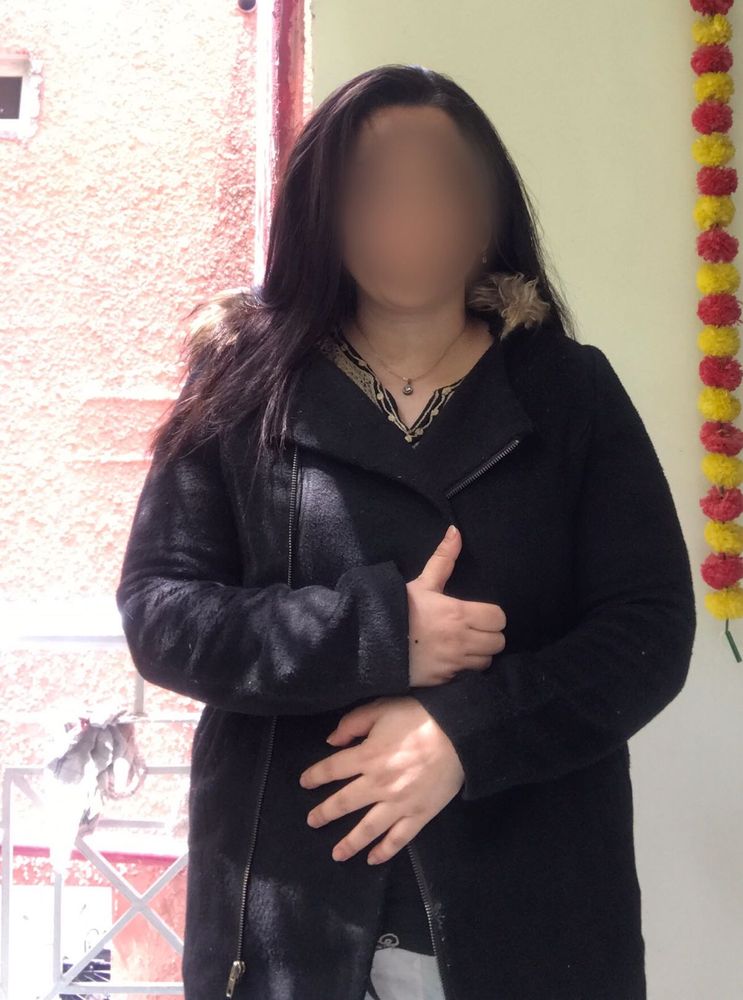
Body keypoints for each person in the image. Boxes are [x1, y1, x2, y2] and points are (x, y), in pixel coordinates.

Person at [115, 64, 697, 1000]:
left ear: (487, 214)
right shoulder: (240, 383)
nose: (408, 214)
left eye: (440, 186)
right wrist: (379, 635)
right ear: (321, 211)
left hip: (532, 910)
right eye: (373, 188)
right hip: (289, 910)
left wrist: (465, 735)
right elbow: (161, 612)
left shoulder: (568, 389)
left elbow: (649, 631)